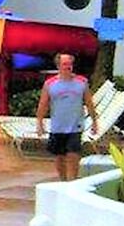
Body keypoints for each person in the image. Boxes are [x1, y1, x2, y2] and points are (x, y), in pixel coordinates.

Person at [36, 52, 98, 182]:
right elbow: (43, 104)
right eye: (65, 64)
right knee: (60, 157)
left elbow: (89, 102)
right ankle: (63, 180)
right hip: (58, 126)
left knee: (73, 154)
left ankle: (72, 182)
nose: (68, 66)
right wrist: (39, 123)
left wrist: (94, 121)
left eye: (70, 64)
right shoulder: (50, 84)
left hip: (75, 125)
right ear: (58, 66)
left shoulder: (82, 82)